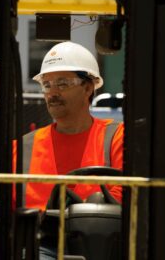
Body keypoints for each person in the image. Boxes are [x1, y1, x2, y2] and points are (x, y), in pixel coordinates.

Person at [24, 41, 124, 259]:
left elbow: (125, 195)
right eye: (47, 85)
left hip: (102, 242)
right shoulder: (23, 147)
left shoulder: (116, 137)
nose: (52, 93)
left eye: (62, 83)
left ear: (88, 87)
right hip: (39, 244)